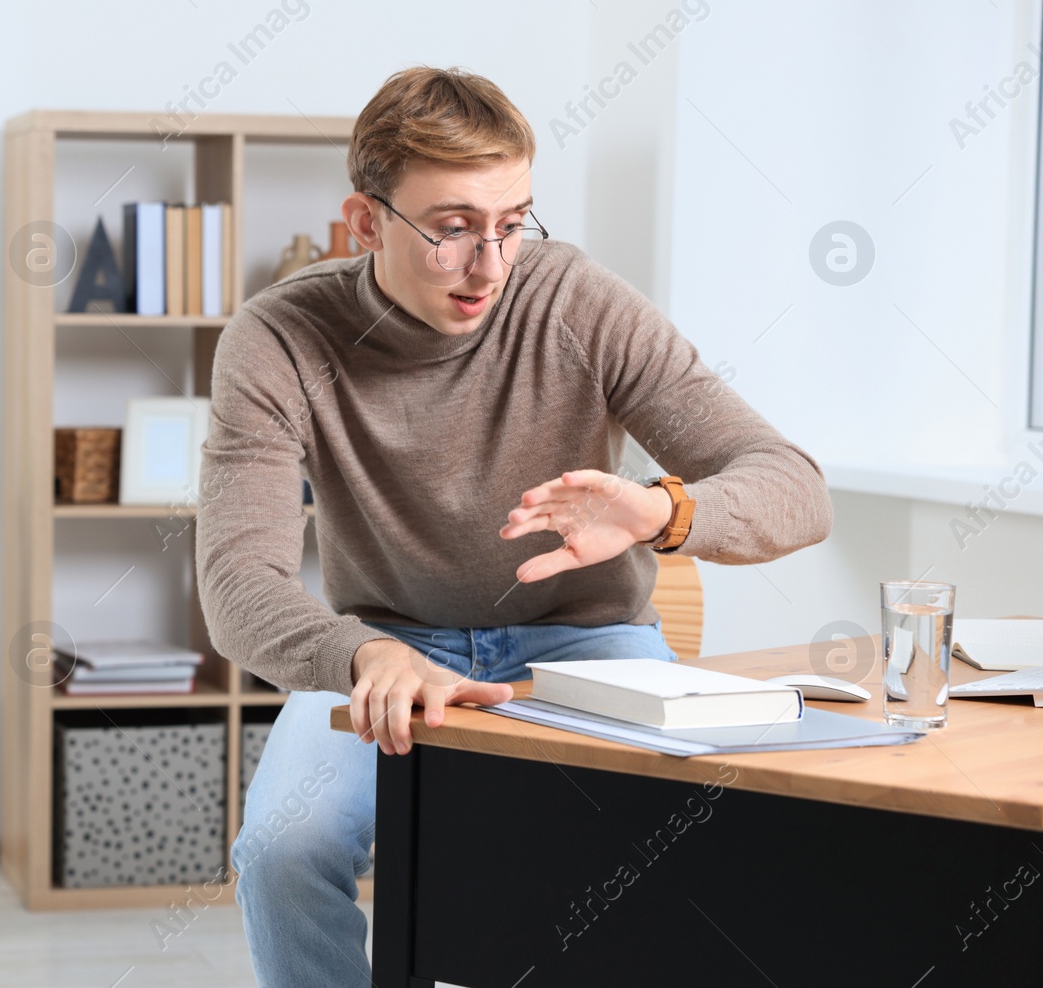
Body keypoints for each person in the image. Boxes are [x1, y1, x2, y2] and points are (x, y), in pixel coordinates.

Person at [194, 65, 832, 987]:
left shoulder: (573, 299)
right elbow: (236, 585)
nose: (491, 266)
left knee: (679, 856)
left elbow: (794, 488)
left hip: (584, 644)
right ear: (366, 221)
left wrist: (662, 511)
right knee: (284, 852)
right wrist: (362, 655)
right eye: (452, 229)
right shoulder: (282, 335)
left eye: (511, 224)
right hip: (388, 650)